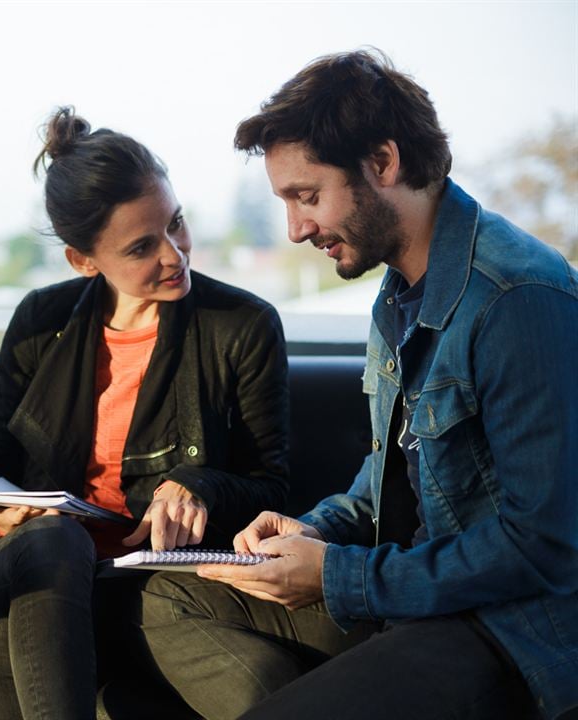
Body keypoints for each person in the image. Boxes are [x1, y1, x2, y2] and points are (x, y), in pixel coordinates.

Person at [139, 50, 578, 720]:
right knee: (175, 593)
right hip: (410, 594)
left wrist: (339, 577)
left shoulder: (516, 298)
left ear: (383, 162)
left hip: (508, 631)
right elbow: (391, 477)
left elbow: (541, 543)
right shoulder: (398, 292)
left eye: (307, 197)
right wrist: (309, 532)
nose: (295, 230)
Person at [0, 107, 290, 720]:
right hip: (38, 567)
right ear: (82, 260)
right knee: (55, 537)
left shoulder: (241, 326)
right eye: (143, 246)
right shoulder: (40, 322)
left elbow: (271, 485)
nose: (176, 256)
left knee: (262, 685)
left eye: (177, 224)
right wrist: (1, 508)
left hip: (152, 579)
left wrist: (197, 485)